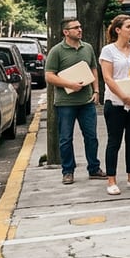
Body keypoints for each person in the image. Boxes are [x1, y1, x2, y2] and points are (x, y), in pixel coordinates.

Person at [44, 17, 101, 184]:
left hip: (86, 101)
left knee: (91, 136)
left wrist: (96, 90)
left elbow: (93, 69)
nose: (80, 30)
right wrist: (70, 84)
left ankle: (94, 168)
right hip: (65, 103)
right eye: (75, 27)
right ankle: (68, 171)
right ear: (66, 32)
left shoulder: (88, 48)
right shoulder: (57, 51)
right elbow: (49, 76)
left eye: (80, 27)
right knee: (65, 138)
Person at [99, 15, 130, 195]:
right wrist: (123, 96)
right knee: (114, 141)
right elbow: (108, 78)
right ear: (118, 30)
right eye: (128, 26)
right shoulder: (108, 51)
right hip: (115, 102)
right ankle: (111, 180)